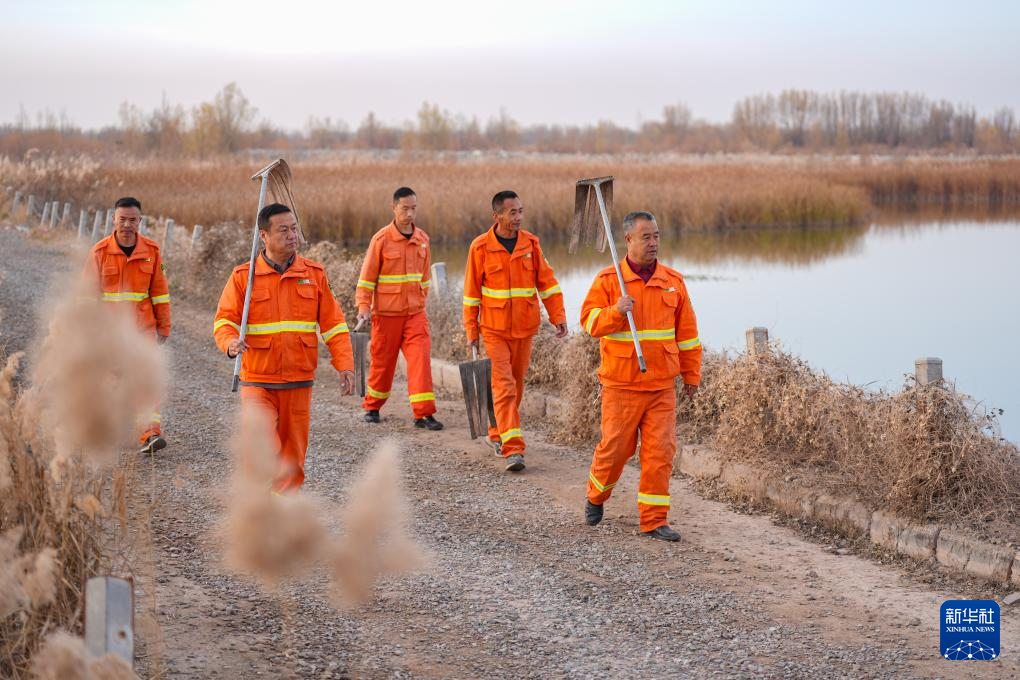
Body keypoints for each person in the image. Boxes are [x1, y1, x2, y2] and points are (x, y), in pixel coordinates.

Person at [214, 203, 355, 493]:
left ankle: (281, 520)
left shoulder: (314, 274)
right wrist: (230, 342)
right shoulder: (244, 277)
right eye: (284, 230)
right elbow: (224, 320)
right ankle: (256, 510)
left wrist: (345, 364)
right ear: (263, 235)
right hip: (258, 380)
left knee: (292, 459)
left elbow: (334, 325)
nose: (292, 235)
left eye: (294, 228)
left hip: (298, 381)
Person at [579, 211, 702, 541]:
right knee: (616, 450)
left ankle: (654, 520)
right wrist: (616, 311)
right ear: (629, 240)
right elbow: (589, 324)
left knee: (660, 454)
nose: (653, 242)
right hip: (621, 385)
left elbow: (688, 335)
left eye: (657, 236)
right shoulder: (609, 281)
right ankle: (596, 494)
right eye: (646, 237)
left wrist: (691, 375)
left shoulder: (673, 282)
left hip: (662, 386)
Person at [463, 190, 567, 472]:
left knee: (517, 384)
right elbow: (471, 295)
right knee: (504, 386)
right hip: (494, 330)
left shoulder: (531, 244)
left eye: (521, 211)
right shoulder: (480, 247)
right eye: (512, 212)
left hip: (525, 329)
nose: (518, 217)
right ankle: (514, 448)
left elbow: (547, 283)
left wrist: (557, 315)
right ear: (496, 216)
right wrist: (472, 330)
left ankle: (497, 431)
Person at [84, 196, 170, 454]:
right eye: (123, 219)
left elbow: (160, 293)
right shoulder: (99, 252)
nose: (128, 225)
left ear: (140, 221)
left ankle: (149, 434)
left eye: (133, 220)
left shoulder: (152, 251)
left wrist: (163, 326)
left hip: (143, 331)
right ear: (114, 219)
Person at [355, 187, 442, 430]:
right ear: (394, 208)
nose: (410, 213)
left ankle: (423, 414)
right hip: (386, 315)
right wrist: (364, 306)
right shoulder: (381, 239)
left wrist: (422, 299)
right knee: (383, 363)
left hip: (415, 315)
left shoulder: (422, 240)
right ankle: (372, 407)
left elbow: (424, 278)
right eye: (405, 208)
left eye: (414, 208)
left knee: (420, 361)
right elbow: (366, 278)